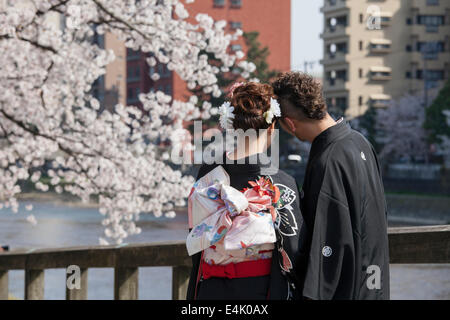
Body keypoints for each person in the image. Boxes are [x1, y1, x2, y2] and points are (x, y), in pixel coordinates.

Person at [272, 71, 390, 300]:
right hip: (374, 282)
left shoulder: (327, 160)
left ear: (289, 123)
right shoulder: (360, 142)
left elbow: (327, 241)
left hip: (348, 290)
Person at [186, 82, 306, 300]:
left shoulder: (208, 173)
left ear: (230, 125)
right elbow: (292, 252)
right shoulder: (279, 183)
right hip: (259, 291)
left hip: (210, 290)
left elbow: (195, 237)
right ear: (271, 127)